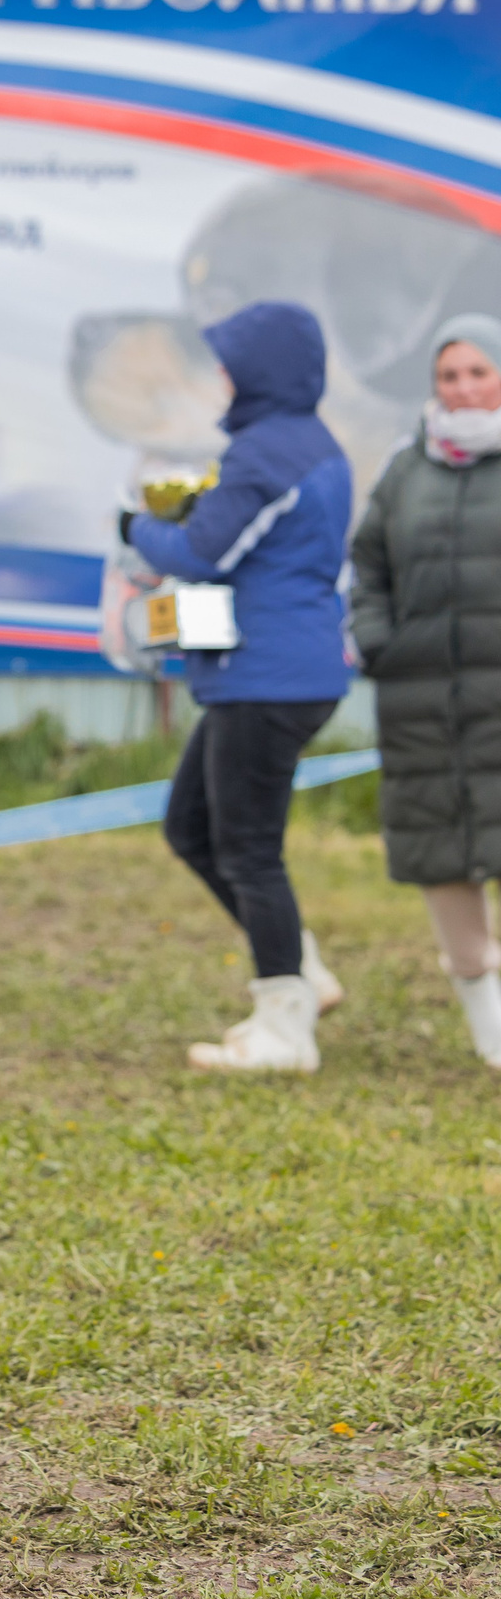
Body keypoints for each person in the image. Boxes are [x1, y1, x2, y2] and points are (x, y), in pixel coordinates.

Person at [122, 300, 352, 1073]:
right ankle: (302, 969)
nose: (220, 377)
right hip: (276, 672)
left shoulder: (266, 454)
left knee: (249, 849)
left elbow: (202, 552)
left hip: (267, 676)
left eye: (230, 363)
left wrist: (136, 527)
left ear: (263, 369)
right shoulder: (310, 442)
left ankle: (285, 1027)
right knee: (191, 827)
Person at [349, 313, 501, 1067]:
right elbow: (369, 564)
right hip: (421, 702)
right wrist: (380, 641)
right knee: (441, 853)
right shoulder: (406, 471)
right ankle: (490, 1029)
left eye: (478, 371)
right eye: (449, 375)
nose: (463, 388)